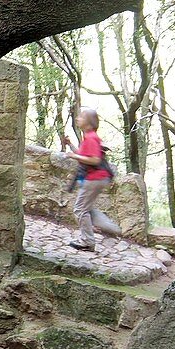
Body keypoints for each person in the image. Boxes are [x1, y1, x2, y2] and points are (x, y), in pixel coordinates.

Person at [60, 108, 119, 252]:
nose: (78, 118)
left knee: (80, 210)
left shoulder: (91, 138)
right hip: (98, 178)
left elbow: (94, 159)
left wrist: (74, 157)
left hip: (94, 178)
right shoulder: (89, 137)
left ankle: (87, 241)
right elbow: (83, 154)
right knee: (87, 208)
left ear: (88, 122)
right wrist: (70, 145)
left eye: (81, 117)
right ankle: (109, 227)